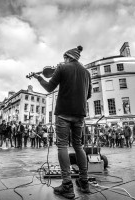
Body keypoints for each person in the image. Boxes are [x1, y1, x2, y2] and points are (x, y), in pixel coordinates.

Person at [33, 45, 92, 199]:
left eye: (64, 57)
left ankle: (67, 185)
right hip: (80, 114)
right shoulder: (86, 72)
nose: (62, 60)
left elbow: (49, 88)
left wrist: (39, 77)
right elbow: (89, 94)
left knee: (63, 145)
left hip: (64, 113)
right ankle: (84, 182)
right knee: (78, 145)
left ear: (67, 57)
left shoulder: (62, 67)